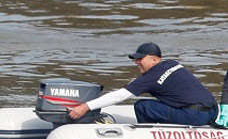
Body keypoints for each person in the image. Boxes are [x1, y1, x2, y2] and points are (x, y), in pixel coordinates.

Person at [68, 42, 218, 125]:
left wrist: (86, 106)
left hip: (195, 116)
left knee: (142, 106)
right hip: (213, 111)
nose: (136, 62)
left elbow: (120, 96)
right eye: (136, 59)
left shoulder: (151, 77)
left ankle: (149, 134)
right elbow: (143, 83)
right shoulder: (172, 64)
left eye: (140, 59)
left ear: (154, 59)